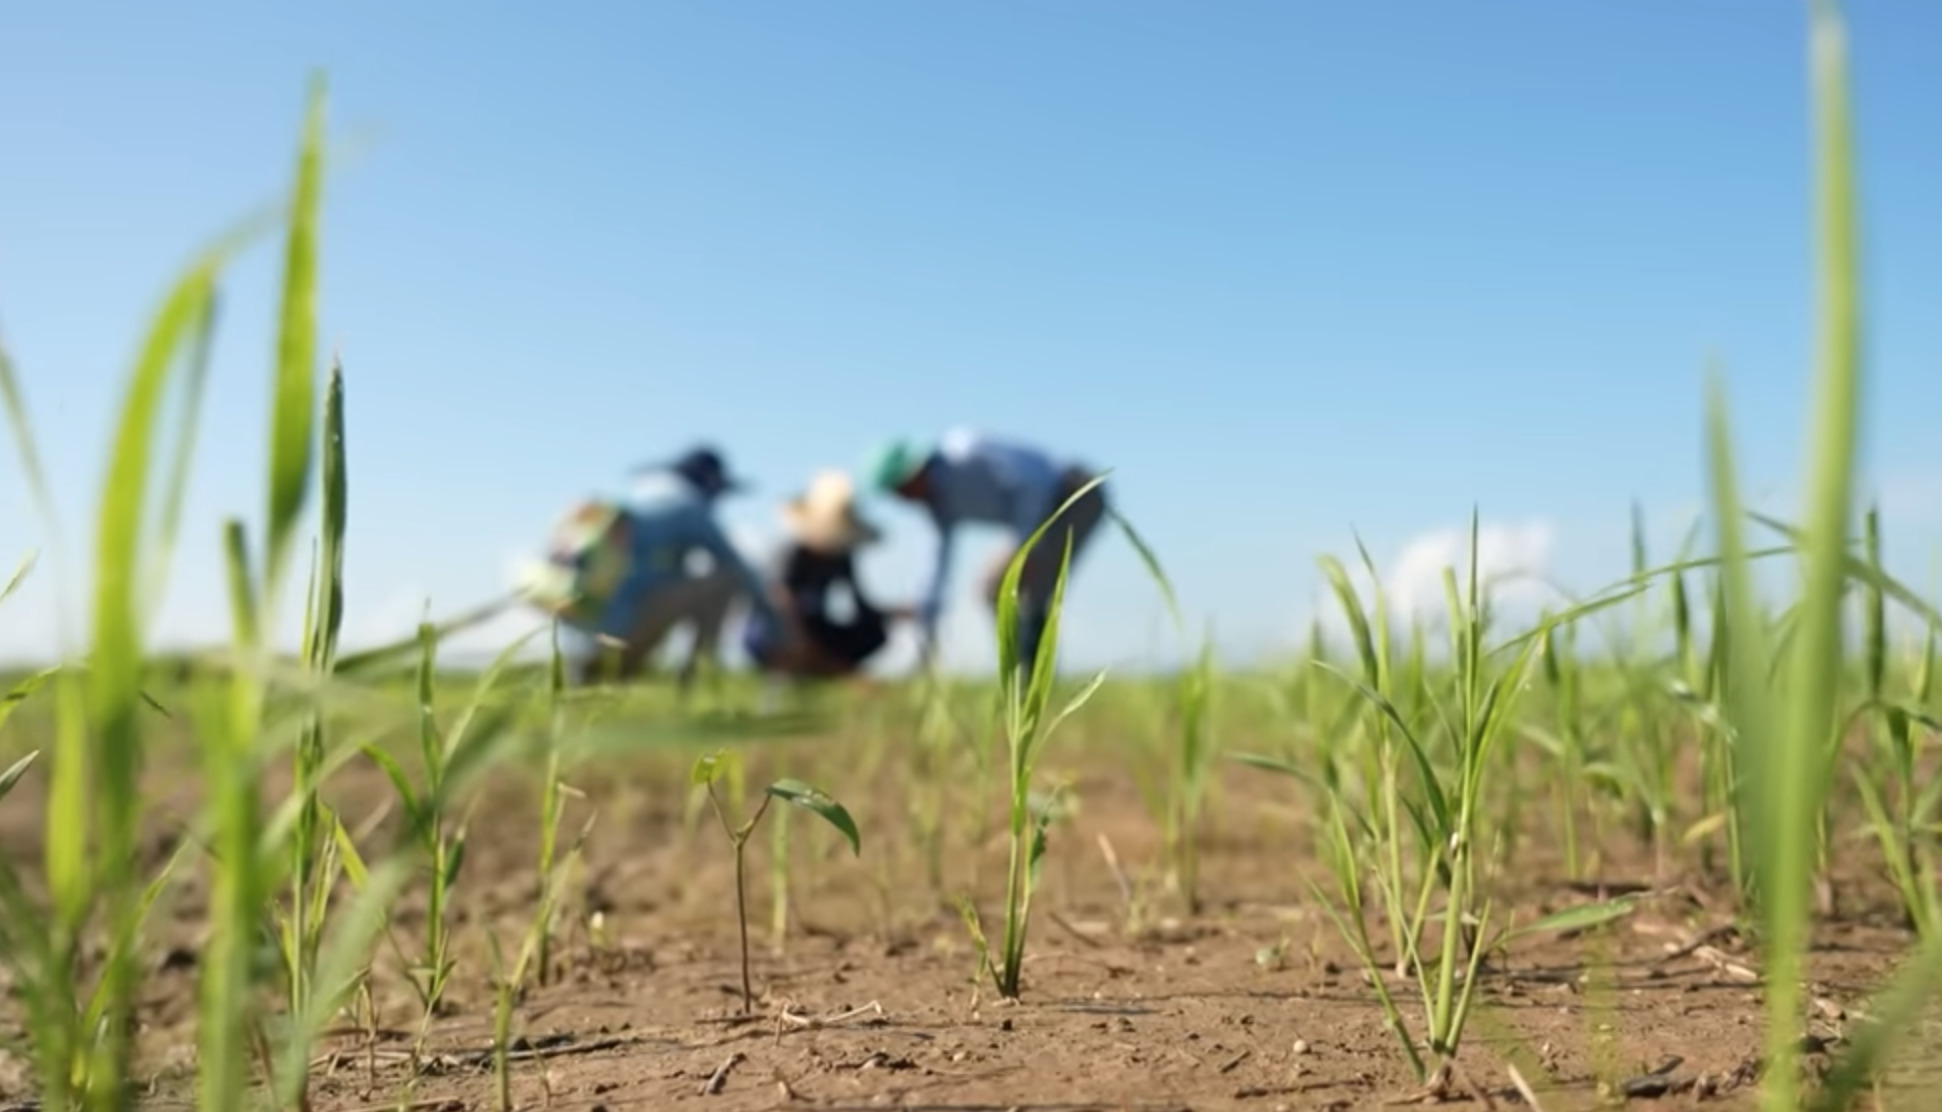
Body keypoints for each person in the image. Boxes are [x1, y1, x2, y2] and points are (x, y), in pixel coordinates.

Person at [517, 445, 791, 688]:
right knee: (723, 579)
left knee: (668, 579)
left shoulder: (634, 498)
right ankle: (697, 683)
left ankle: (588, 673)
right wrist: (779, 628)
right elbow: (740, 569)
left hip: (574, 641)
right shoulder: (688, 509)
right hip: (618, 640)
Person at [862, 429, 1108, 672]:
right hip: (1037, 516)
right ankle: (1019, 672)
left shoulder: (965, 455)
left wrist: (1029, 550)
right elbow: (938, 562)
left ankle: (1034, 678)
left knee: (1029, 593)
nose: (904, 500)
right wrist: (927, 611)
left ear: (912, 475)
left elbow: (1031, 485)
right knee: (995, 589)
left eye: (901, 492)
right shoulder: (938, 505)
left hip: (1072, 495)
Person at [742, 469, 912, 681]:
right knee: (787, 626)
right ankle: (802, 666)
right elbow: (782, 603)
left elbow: (861, 607)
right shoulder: (790, 554)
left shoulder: (842, 558)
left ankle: (816, 667)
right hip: (776, 628)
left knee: (873, 632)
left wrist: (892, 613)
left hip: (812, 624)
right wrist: (846, 673)